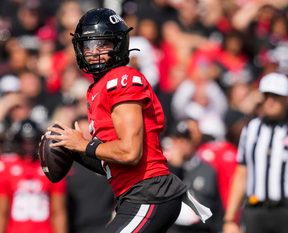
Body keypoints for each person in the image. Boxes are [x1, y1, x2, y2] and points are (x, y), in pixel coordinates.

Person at [45, 8, 211, 233]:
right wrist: (75, 151)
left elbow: (130, 152)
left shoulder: (122, 79)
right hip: (134, 195)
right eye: (89, 45)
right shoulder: (98, 88)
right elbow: (113, 163)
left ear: (119, 45)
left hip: (150, 193)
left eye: (103, 44)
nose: (94, 52)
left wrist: (84, 145)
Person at [223, 73, 288, 233]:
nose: (270, 101)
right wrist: (229, 219)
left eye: (276, 96)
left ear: (287, 99)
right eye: (267, 96)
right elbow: (242, 174)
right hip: (256, 210)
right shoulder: (251, 129)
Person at [0, 119, 67, 233]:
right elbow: (2, 212)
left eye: (31, 142)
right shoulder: (7, 168)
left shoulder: (50, 168)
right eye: (25, 142)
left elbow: (58, 212)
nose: (28, 147)